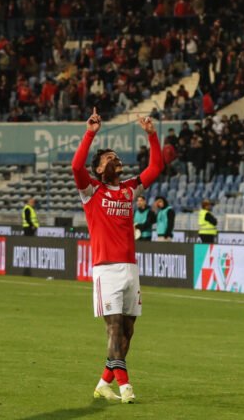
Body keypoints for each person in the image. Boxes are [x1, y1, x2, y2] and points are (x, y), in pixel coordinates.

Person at [72, 108, 162, 404]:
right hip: (106, 270)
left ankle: (103, 383)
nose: (115, 160)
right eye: (109, 158)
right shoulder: (92, 191)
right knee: (113, 328)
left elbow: (156, 168)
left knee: (128, 330)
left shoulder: (128, 189)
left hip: (130, 268)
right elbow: (75, 167)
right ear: (98, 169)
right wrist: (90, 133)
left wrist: (151, 134)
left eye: (116, 157)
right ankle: (125, 387)